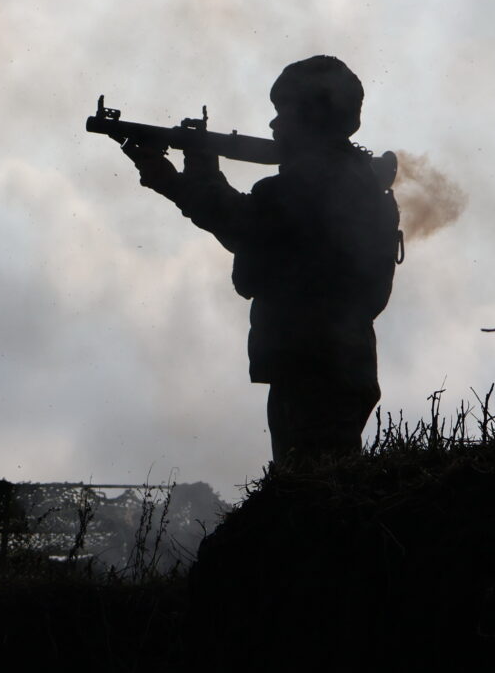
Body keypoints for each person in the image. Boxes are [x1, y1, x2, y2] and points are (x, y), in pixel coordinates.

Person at [116, 56, 400, 464]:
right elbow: (254, 235)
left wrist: (195, 165)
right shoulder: (354, 179)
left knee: (311, 482)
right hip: (336, 360)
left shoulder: (316, 185)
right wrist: (176, 178)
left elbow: (239, 223)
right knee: (324, 475)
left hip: (314, 362)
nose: (274, 124)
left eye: (285, 113)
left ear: (313, 116)